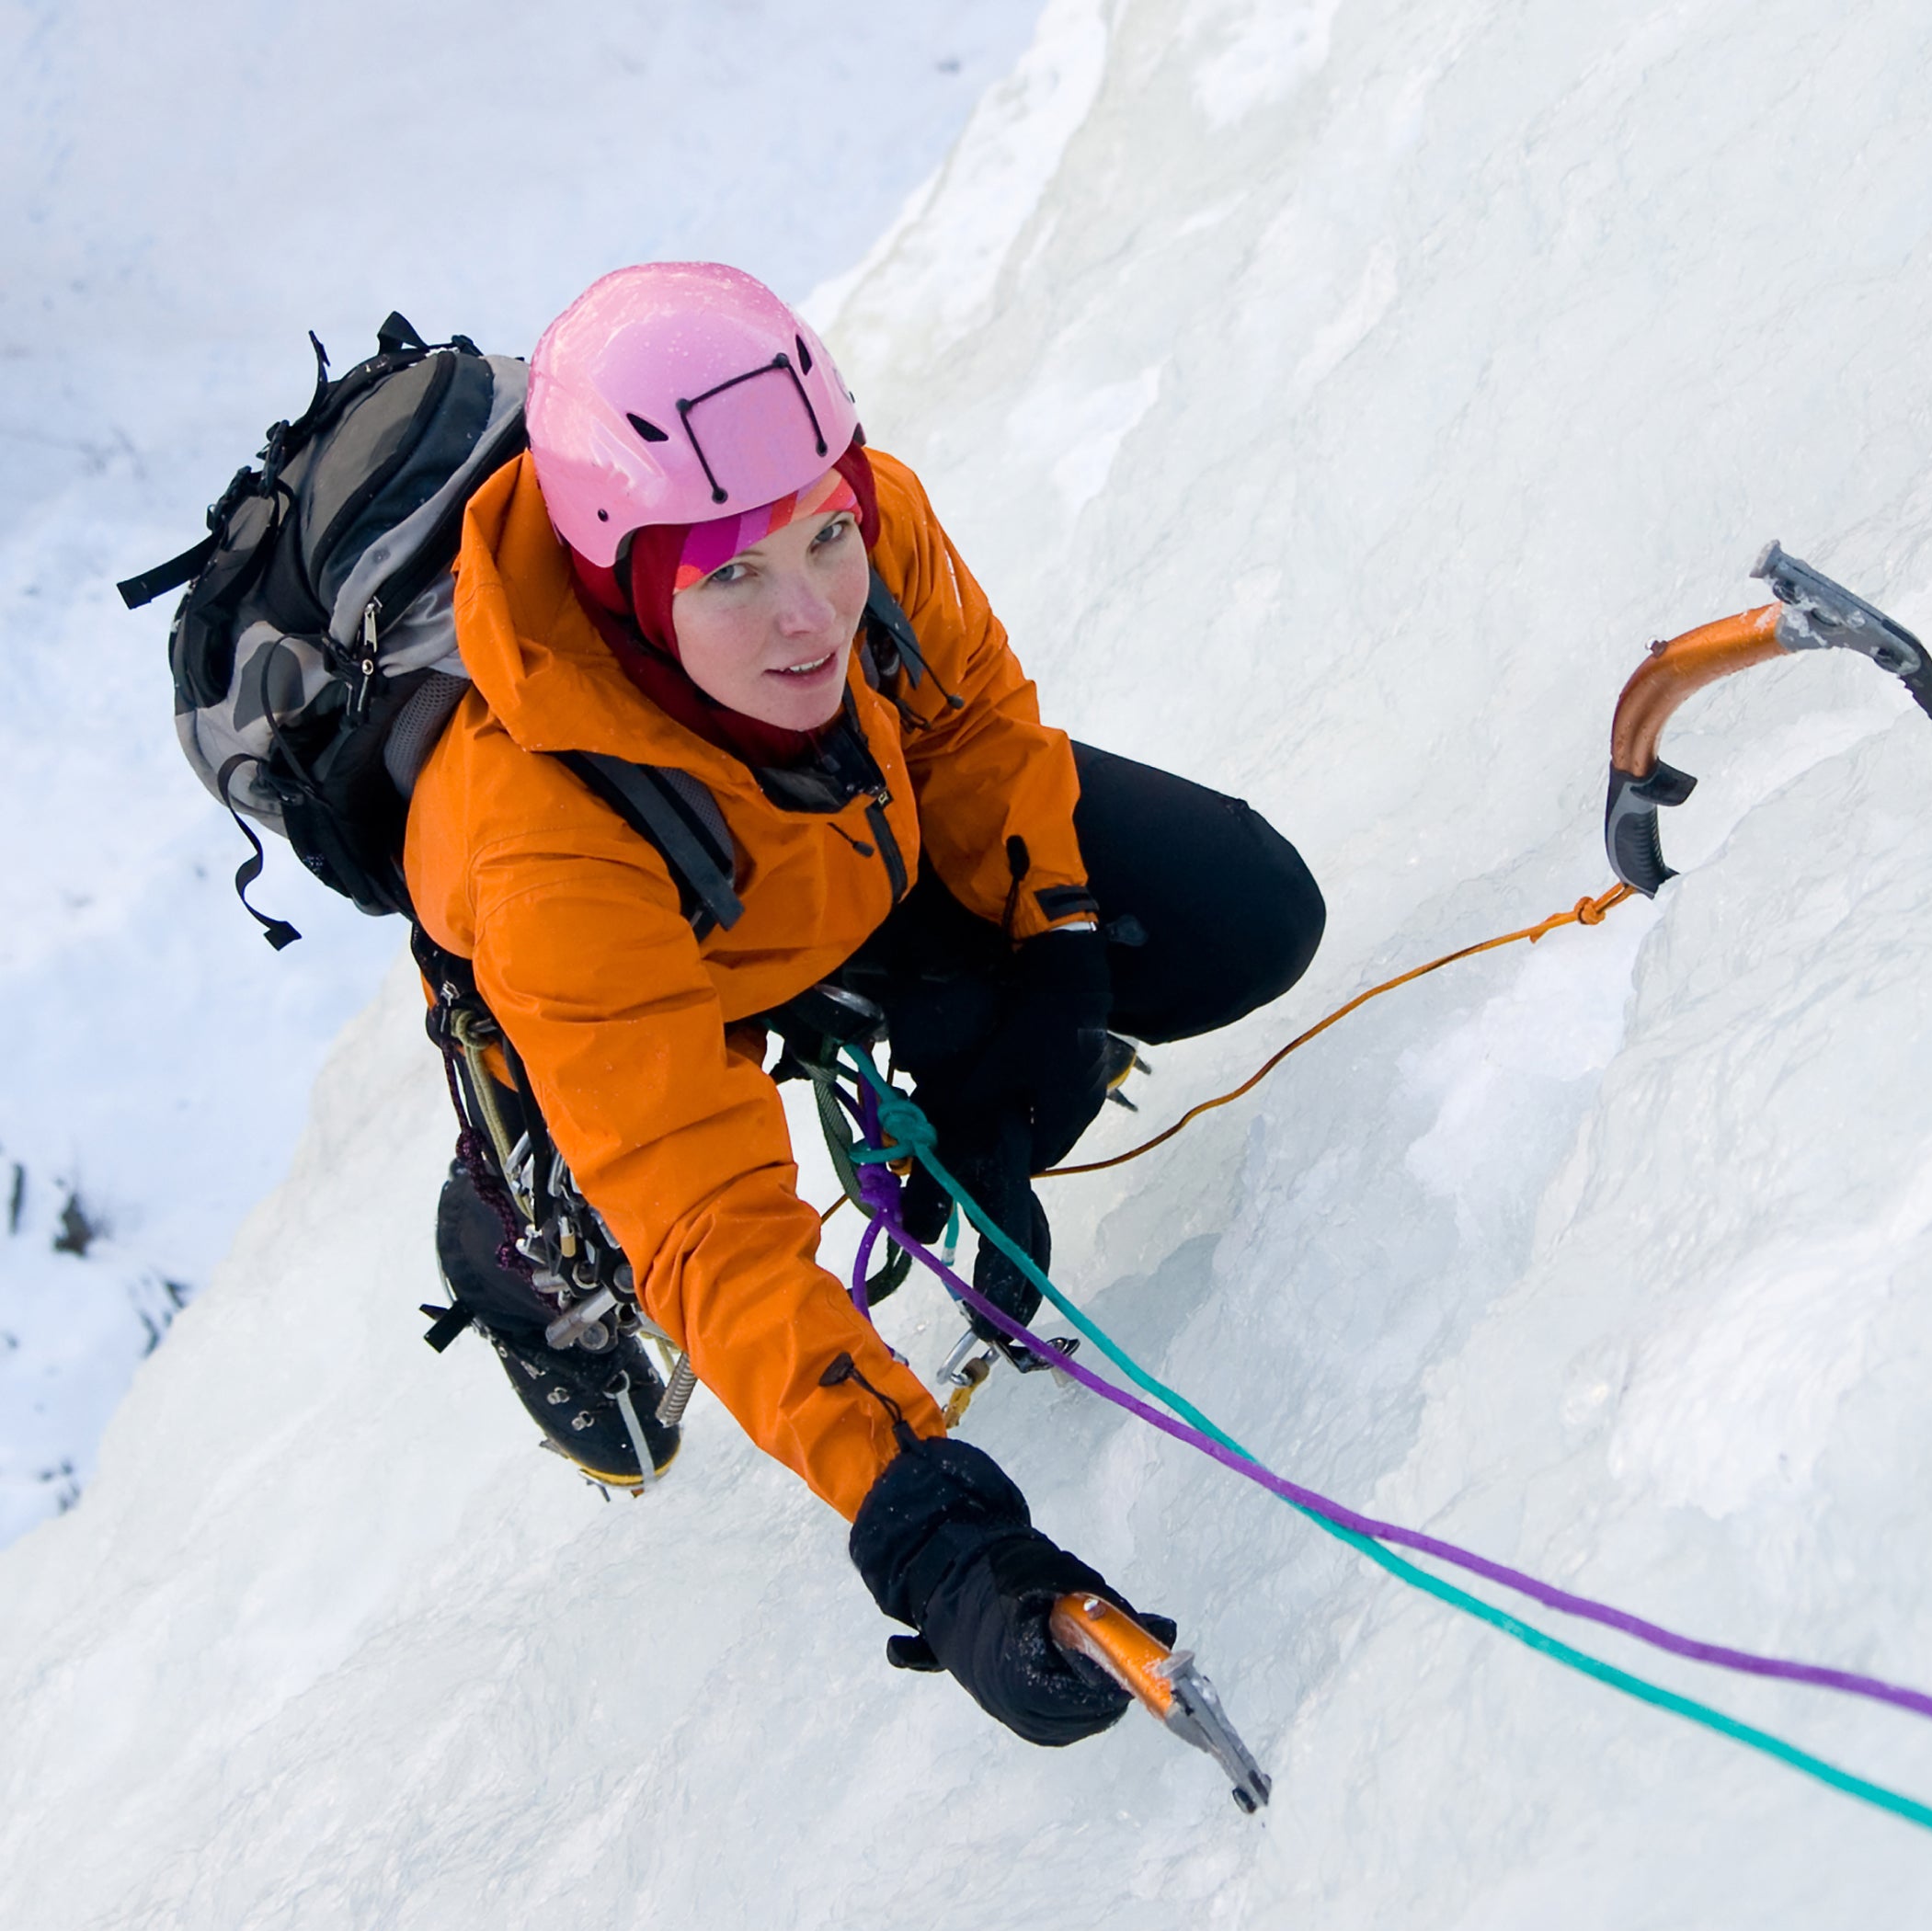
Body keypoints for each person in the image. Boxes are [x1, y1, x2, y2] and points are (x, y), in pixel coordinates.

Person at [406, 262, 1323, 1750]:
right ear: (620, 582)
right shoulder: (543, 842)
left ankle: (880, 993)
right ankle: (512, 1217)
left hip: (833, 842)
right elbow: (717, 1229)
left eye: (826, 540)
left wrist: (1054, 965)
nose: (809, 617)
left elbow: (971, 721)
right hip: (644, 949)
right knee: (628, 1212)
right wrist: (935, 1534)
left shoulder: (855, 513)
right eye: (728, 577)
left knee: (1245, 918)